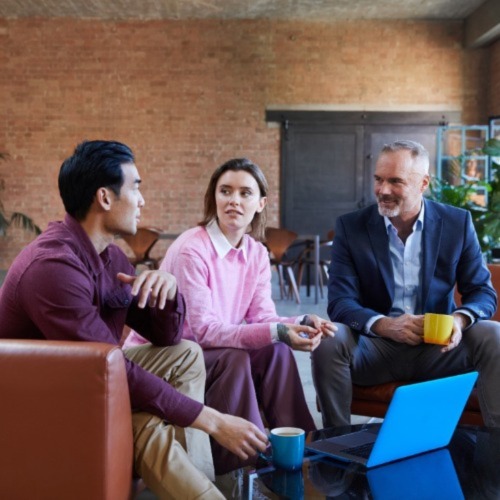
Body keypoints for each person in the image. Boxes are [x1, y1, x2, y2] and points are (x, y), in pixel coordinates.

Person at [0, 141, 268, 499]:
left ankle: (200, 480)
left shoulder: (108, 256)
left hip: (83, 381)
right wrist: (212, 419)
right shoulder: (53, 268)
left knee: (187, 353)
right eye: (136, 188)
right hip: (39, 400)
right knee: (146, 426)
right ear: (105, 198)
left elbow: (167, 336)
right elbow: (110, 369)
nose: (142, 201)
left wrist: (169, 291)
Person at [127, 157, 336, 475]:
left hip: (204, 352)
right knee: (234, 359)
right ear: (214, 197)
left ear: (260, 203)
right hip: (162, 355)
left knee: (275, 351)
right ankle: (245, 465)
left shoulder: (256, 253)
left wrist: (301, 321)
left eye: (245, 193)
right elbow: (206, 332)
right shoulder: (192, 249)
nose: (234, 201)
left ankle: (301, 451)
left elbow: (262, 316)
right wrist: (278, 330)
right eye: (225, 191)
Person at [311, 140, 500, 429]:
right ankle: (337, 446)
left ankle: (494, 452)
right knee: (329, 340)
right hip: (375, 349)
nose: (383, 190)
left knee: (493, 334)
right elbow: (340, 302)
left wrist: (458, 322)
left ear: (423, 183)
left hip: (439, 351)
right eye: (379, 179)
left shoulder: (456, 223)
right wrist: (385, 325)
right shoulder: (352, 227)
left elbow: (483, 293)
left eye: (395, 181)